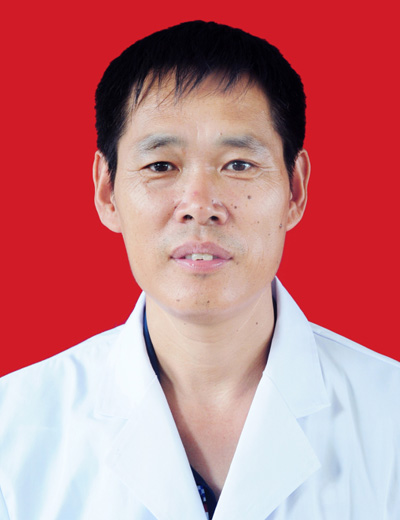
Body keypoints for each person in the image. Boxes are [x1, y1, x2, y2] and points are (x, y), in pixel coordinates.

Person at [0, 20, 398, 520]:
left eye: (238, 164)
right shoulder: (13, 428)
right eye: (160, 166)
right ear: (107, 192)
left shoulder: (391, 417)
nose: (200, 205)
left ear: (295, 190)